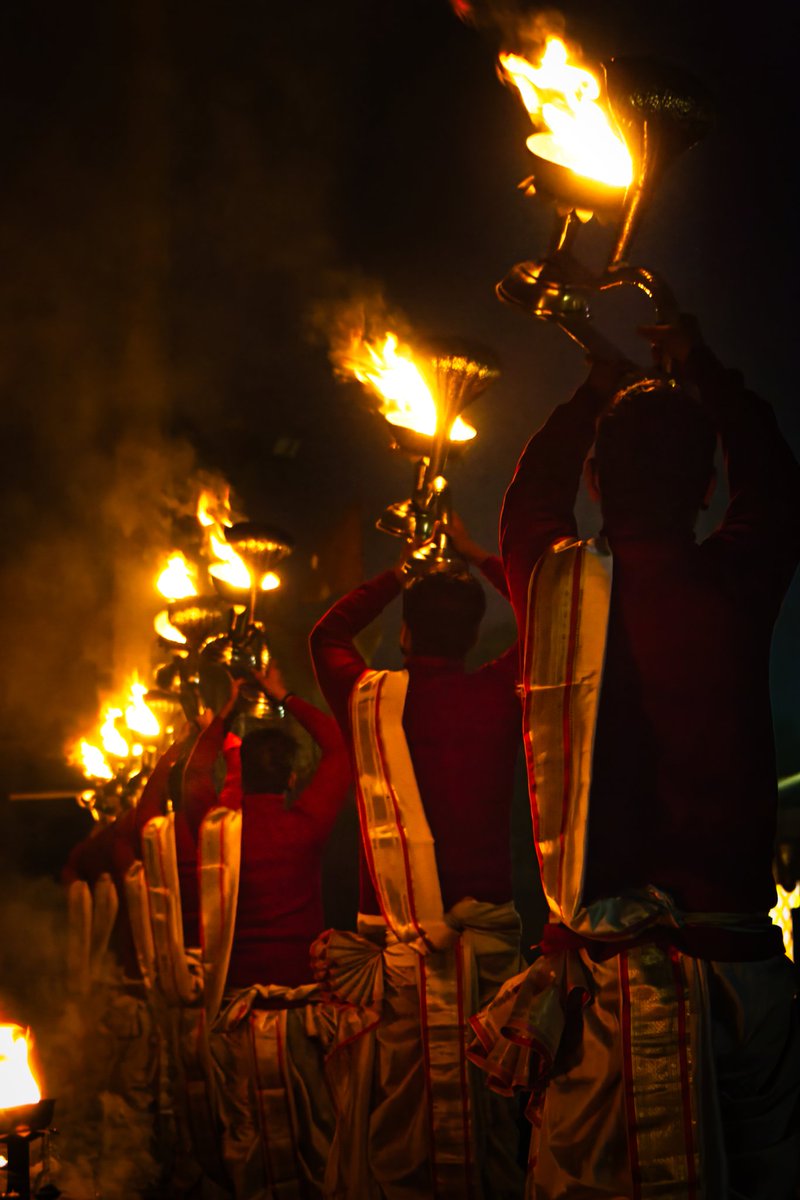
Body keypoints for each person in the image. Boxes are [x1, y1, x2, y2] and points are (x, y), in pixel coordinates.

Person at [470, 318, 800, 1198]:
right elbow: (776, 480)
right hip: (740, 987)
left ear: (593, 479)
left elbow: (525, 503)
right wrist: (705, 369)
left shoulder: (548, 583)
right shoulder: (737, 579)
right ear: (705, 489)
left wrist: (590, 392)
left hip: (600, 999)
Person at [309, 519, 525, 1199]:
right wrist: (472, 555)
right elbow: (545, 613)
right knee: (498, 1124)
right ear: (470, 637)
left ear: (404, 634)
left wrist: (403, 570)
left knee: (402, 1139)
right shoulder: (499, 693)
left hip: (402, 961)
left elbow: (326, 637)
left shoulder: (370, 700)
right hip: (491, 958)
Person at [179, 663, 351, 1199]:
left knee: (251, 1150)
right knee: (320, 1144)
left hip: (238, 1020)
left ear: (239, 775)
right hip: (306, 1017)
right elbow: (342, 750)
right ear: (293, 778)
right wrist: (286, 693)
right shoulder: (306, 827)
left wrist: (222, 716)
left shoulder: (216, 830)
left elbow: (189, 778)